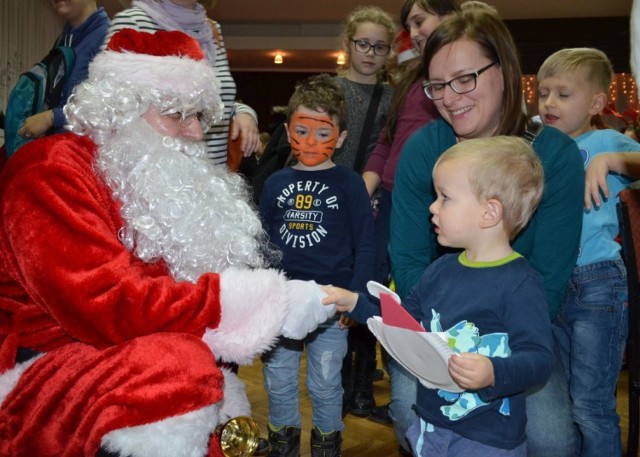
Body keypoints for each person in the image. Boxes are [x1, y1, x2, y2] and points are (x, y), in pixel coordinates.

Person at [0, 29, 336, 457]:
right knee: (177, 369)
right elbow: (106, 304)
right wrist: (259, 302)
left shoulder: (143, 177)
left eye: (200, 117)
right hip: (43, 360)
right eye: (179, 114)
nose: (197, 134)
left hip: (129, 352)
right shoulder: (50, 171)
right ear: (121, 108)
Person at [390, 7, 585, 457]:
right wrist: (440, 341)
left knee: (554, 441)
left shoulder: (554, 154)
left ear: (506, 70)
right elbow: (407, 255)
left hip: (516, 329)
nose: (449, 97)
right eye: (437, 85)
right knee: (407, 411)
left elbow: (552, 277)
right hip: (433, 324)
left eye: (464, 78)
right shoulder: (426, 148)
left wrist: (495, 361)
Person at [324, 135, 554, 456]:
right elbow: (403, 320)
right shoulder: (440, 269)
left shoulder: (520, 283)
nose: (432, 207)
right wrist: (355, 303)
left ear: (489, 213)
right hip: (431, 426)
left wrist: (493, 372)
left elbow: (539, 359)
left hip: (488, 439)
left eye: (445, 197)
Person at [360, 0, 461, 447]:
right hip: (394, 201)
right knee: (388, 295)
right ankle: (401, 378)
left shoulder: (457, 85)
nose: (413, 32)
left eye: (420, 20)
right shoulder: (409, 80)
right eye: (409, 26)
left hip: (442, 205)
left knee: (437, 295)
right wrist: (365, 190)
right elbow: (387, 142)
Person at [258, 74, 375, 457]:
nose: (310, 142)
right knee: (278, 380)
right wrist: (260, 293)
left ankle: (327, 447)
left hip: (331, 303)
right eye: (301, 130)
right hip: (282, 302)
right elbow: (261, 241)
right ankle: (282, 446)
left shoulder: (350, 184)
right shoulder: (275, 182)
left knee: (326, 383)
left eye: (321, 133)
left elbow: (366, 242)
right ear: (288, 130)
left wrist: (356, 297)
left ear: (340, 138)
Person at [537, 47, 640, 457]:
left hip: (599, 282)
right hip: (552, 281)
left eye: (563, 94)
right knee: (563, 406)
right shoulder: (538, 147)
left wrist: (612, 159)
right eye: (543, 93)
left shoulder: (605, 139)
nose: (548, 103)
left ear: (596, 103)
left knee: (591, 406)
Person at [331, 5, 395, 420]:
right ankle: (333, 383)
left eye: (380, 46)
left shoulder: (396, 97)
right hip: (334, 200)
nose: (370, 53)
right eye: (363, 44)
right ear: (348, 45)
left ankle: (361, 387)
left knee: (369, 285)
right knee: (335, 285)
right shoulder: (330, 90)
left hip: (376, 203)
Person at [105, 0, 259, 166]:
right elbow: (108, 107)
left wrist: (241, 112)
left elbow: (205, 98)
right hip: (159, 176)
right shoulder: (132, 23)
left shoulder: (211, 30)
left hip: (212, 175)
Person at [14, 0, 109, 142]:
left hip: (82, 154)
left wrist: (52, 118)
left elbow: (110, 109)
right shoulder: (63, 40)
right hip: (53, 144)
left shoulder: (108, 37)